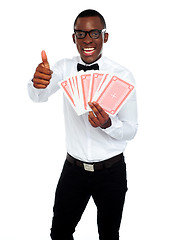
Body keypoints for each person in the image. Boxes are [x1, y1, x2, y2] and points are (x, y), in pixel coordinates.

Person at [28, 9, 138, 240]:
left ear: (105, 37)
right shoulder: (63, 68)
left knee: (109, 235)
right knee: (59, 233)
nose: (87, 40)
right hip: (73, 170)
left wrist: (109, 124)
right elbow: (39, 96)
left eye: (94, 33)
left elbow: (131, 129)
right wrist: (37, 84)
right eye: (81, 34)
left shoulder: (122, 75)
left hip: (112, 172)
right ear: (74, 38)